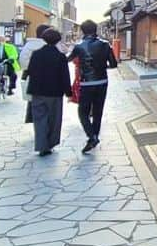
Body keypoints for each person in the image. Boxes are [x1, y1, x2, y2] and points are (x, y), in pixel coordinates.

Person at [67, 19, 118, 153]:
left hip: (87, 82)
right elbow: (113, 64)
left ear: (83, 31)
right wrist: (101, 66)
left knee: (83, 111)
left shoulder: (79, 46)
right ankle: (94, 137)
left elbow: (67, 59)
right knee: (97, 111)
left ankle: (92, 136)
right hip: (102, 82)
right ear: (95, 30)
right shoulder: (106, 44)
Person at [23, 28, 72, 156]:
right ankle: (50, 143)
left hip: (37, 91)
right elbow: (65, 76)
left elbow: (31, 71)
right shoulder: (60, 56)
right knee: (54, 119)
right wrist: (68, 92)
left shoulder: (36, 54)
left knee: (39, 119)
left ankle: (41, 145)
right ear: (58, 40)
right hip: (55, 92)